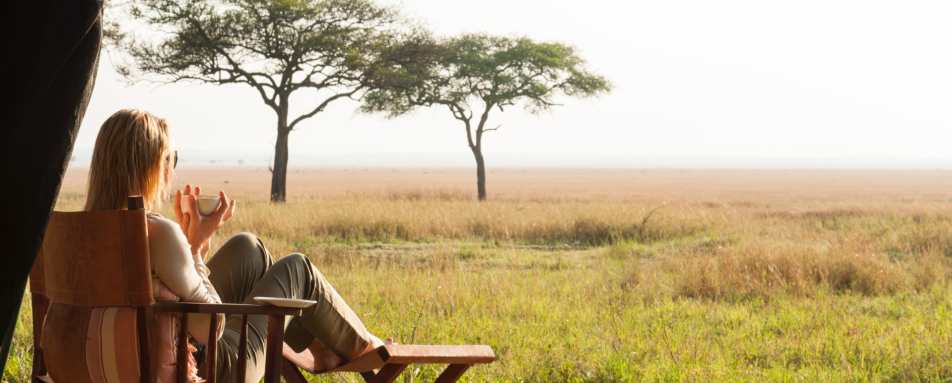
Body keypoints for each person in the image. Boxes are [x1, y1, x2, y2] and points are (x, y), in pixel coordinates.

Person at [81, 109, 382, 382]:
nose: (171, 168)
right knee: (297, 269)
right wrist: (195, 247)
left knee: (247, 248)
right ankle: (367, 348)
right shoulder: (156, 232)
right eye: (169, 159)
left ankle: (321, 346)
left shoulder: (75, 235)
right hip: (206, 367)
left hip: (101, 362)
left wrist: (187, 250)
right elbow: (210, 329)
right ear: (151, 168)